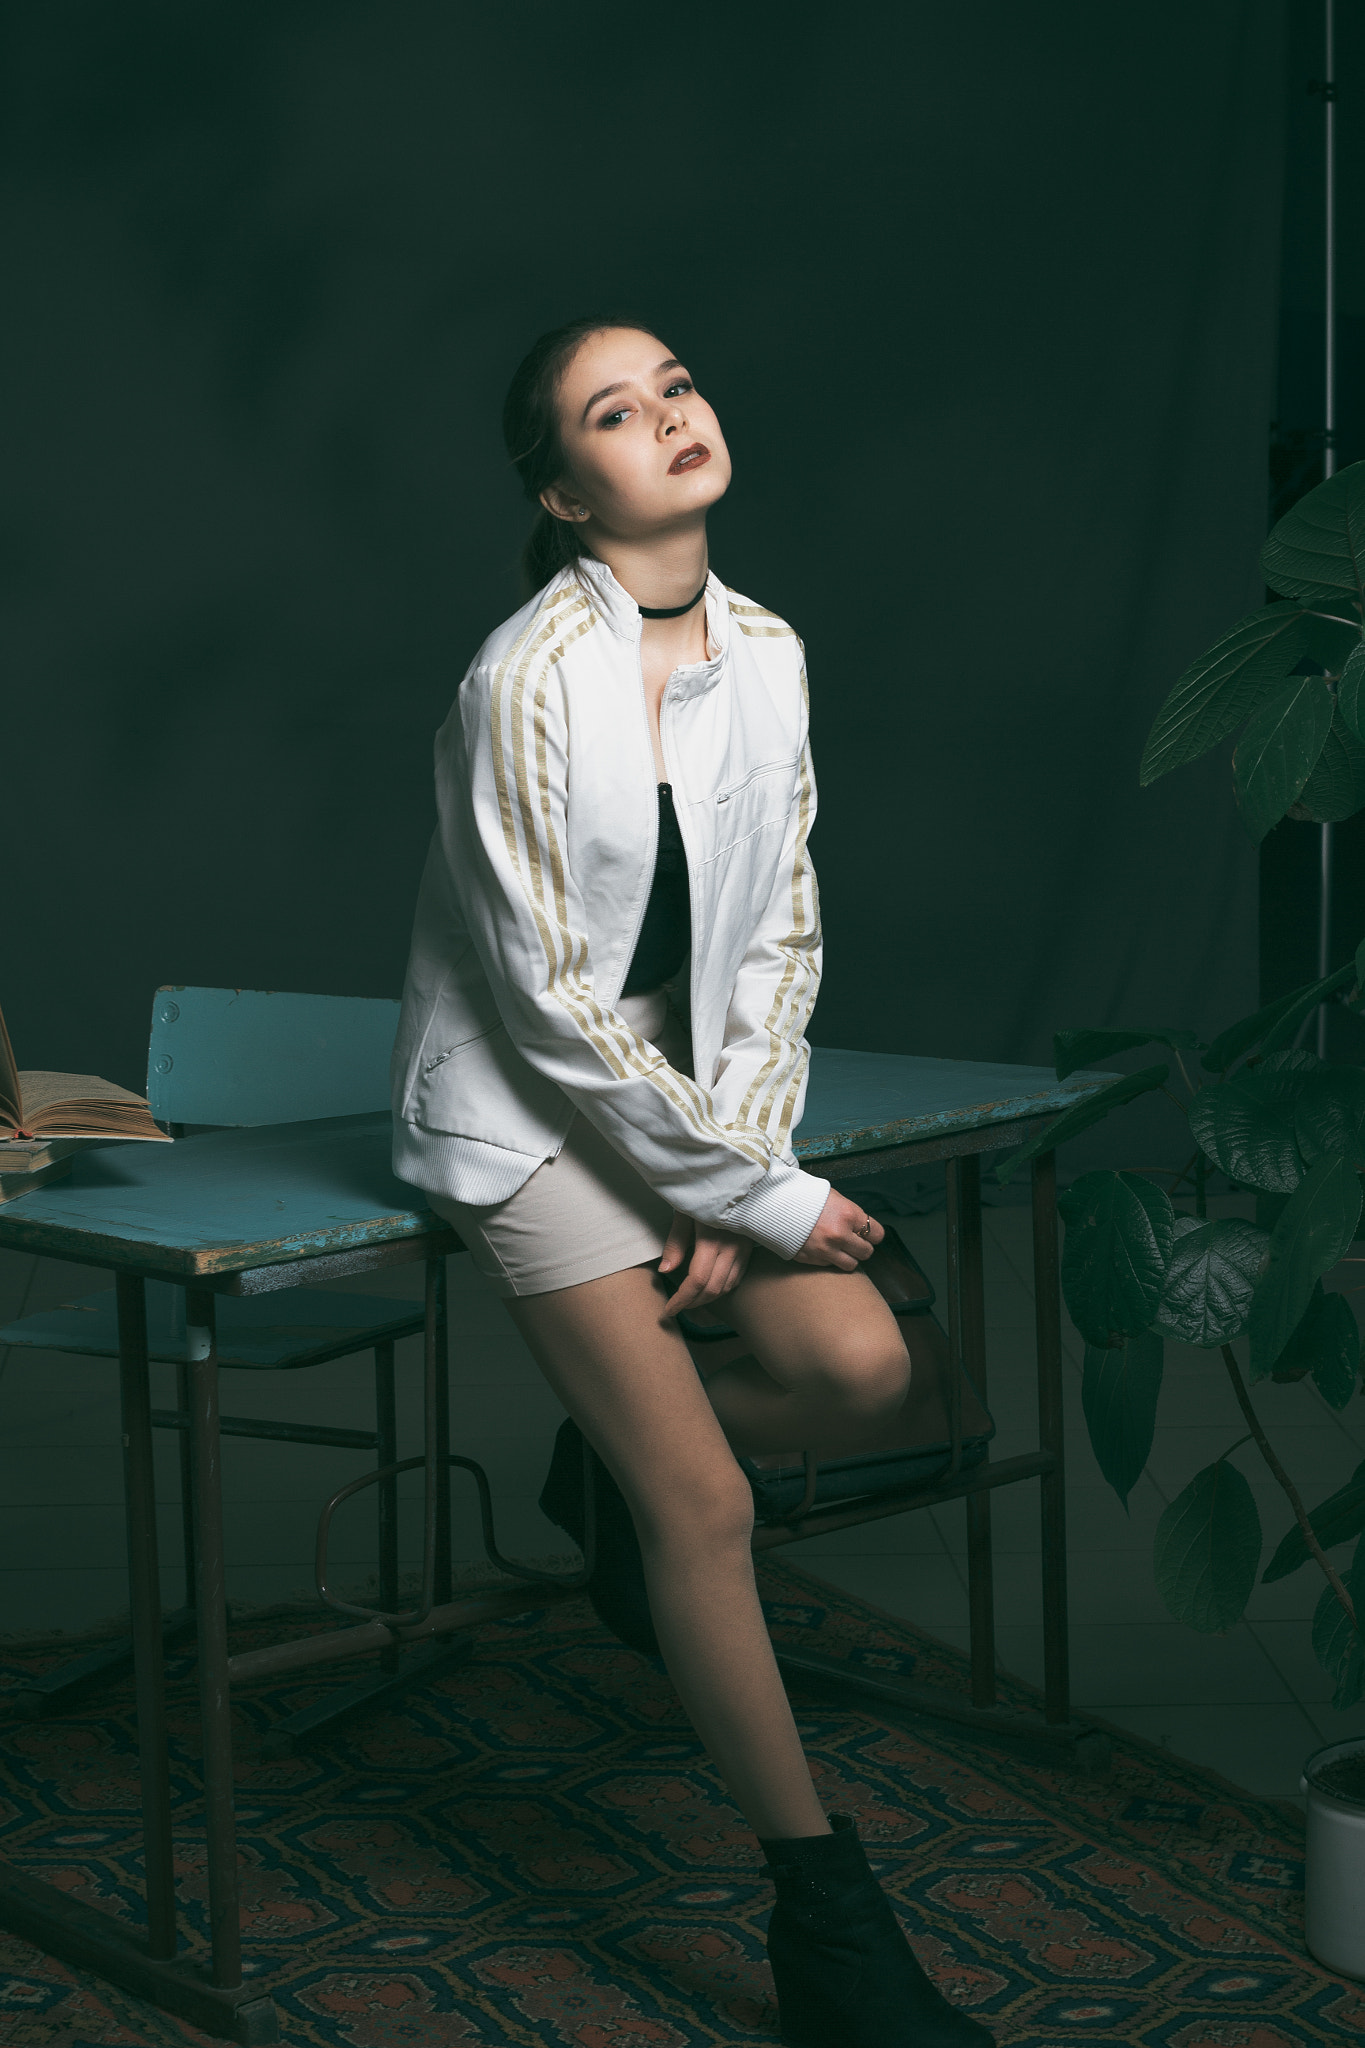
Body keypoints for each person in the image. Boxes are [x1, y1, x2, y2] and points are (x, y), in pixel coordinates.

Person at [391, 316, 993, 2046]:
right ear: (566, 494)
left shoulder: (769, 652)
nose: (664, 416)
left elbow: (778, 931)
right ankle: (827, 1925)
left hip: (670, 1087)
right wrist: (742, 1197)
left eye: (673, 385)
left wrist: (732, 1165)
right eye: (611, 410)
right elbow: (543, 1001)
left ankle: (610, 1481)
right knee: (711, 1510)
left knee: (869, 1371)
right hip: (520, 1104)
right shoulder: (519, 679)